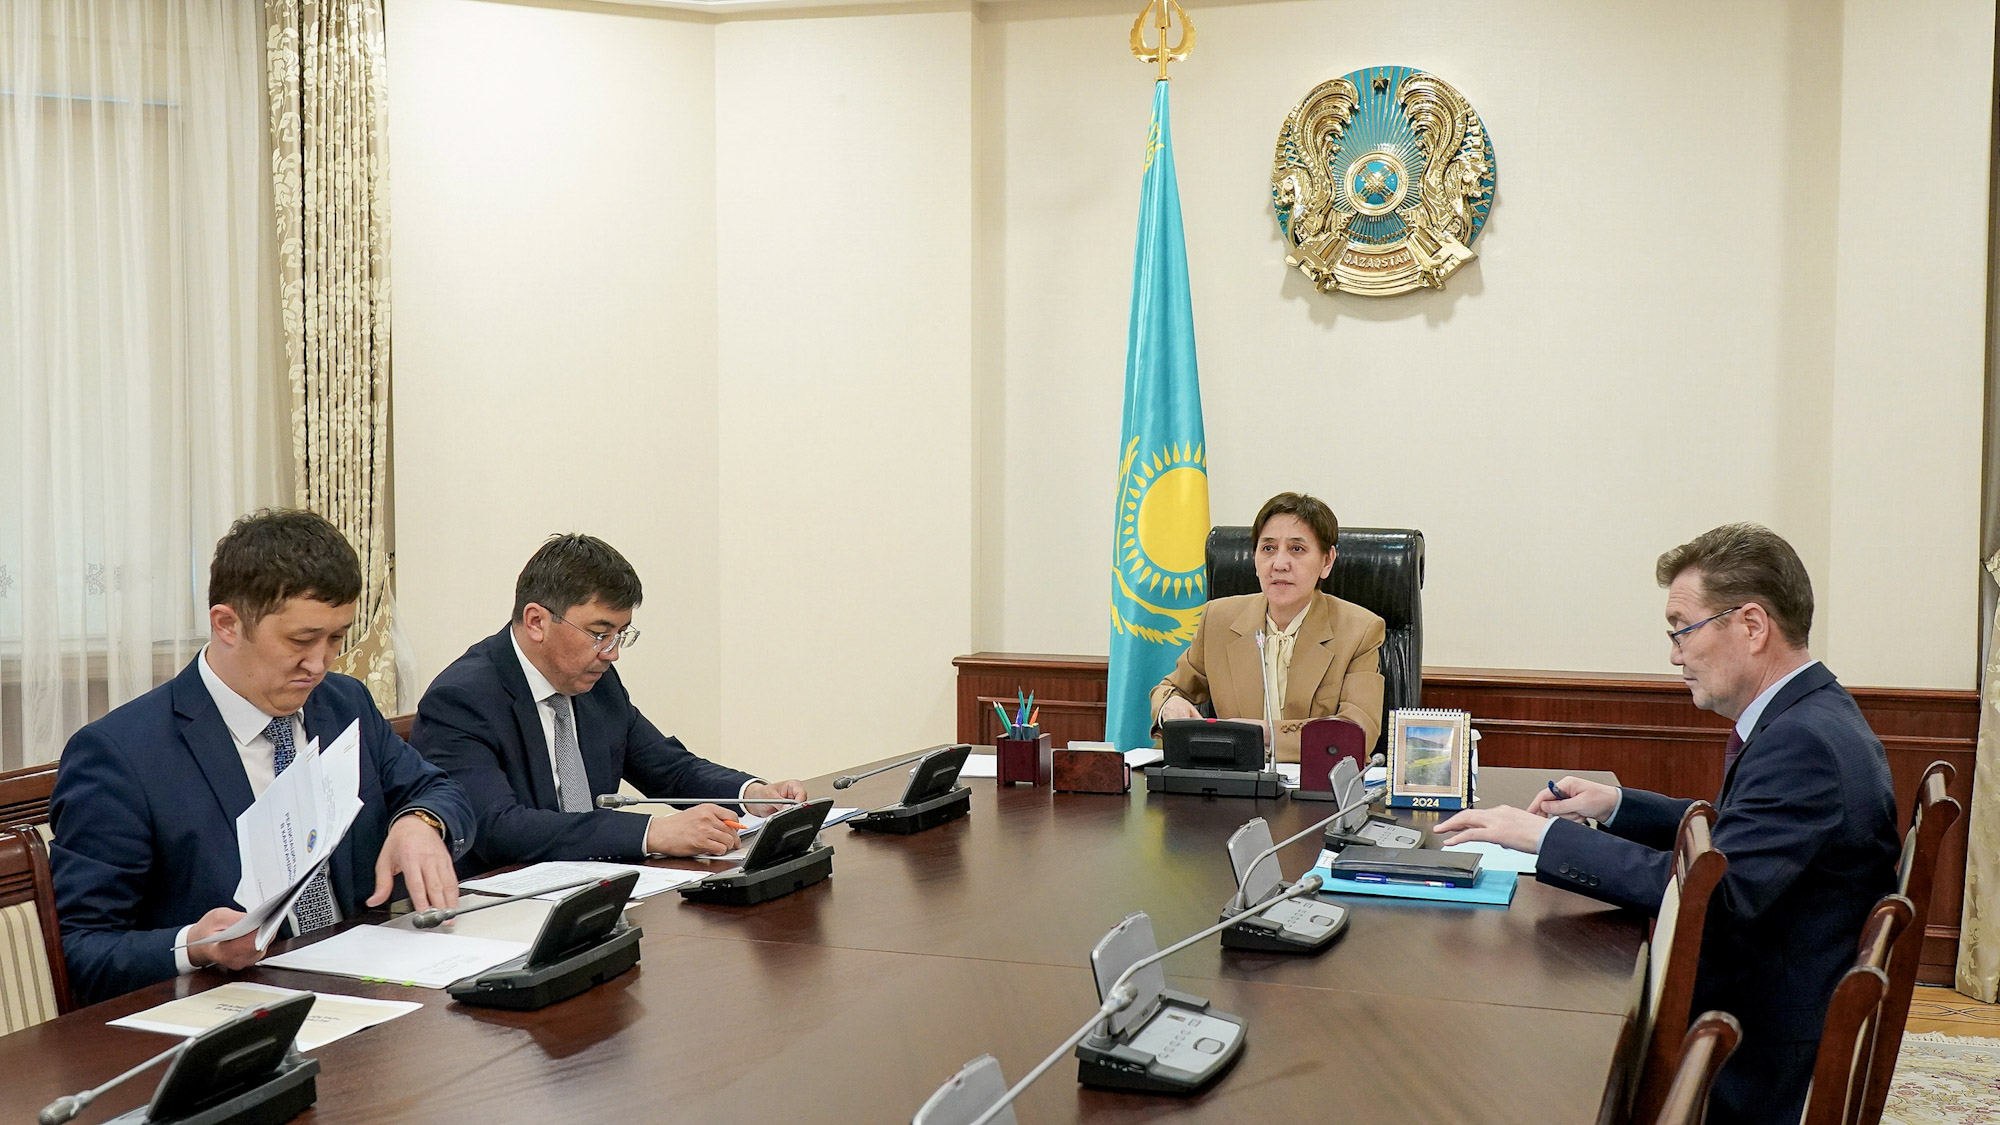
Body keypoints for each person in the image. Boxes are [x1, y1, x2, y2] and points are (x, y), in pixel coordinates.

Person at [1433, 523, 1899, 1125]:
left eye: (1683, 629)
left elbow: (1715, 892)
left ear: (1752, 626)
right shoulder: (1812, 714)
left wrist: (1542, 838)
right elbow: (1739, 836)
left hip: (1753, 1048)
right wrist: (1616, 805)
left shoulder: (1802, 743)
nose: (1675, 654)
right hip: (1769, 1000)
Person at [49, 510, 475, 1007]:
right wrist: (194, 945)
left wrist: (421, 823)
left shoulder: (344, 703)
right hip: (236, 1014)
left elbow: (438, 789)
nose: (320, 663)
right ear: (227, 624)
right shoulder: (121, 755)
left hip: (366, 984)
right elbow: (81, 952)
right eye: (300, 640)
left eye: (336, 638)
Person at [412, 534, 808, 871]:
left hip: (593, 891)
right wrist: (652, 832)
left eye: (621, 634)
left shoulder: (596, 682)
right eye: (599, 633)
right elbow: (497, 828)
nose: (612, 653)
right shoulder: (462, 699)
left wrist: (751, 795)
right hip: (498, 902)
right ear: (536, 621)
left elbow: (668, 768)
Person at [1149, 492, 1385, 762]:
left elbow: (1357, 732)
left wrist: (1263, 734)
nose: (1279, 564)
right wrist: (1170, 704)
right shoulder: (1218, 620)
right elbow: (1170, 689)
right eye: (1268, 549)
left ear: (1327, 561)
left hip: (1320, 780)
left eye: (1297, 549)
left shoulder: (1360, 630)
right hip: (1235, 779)